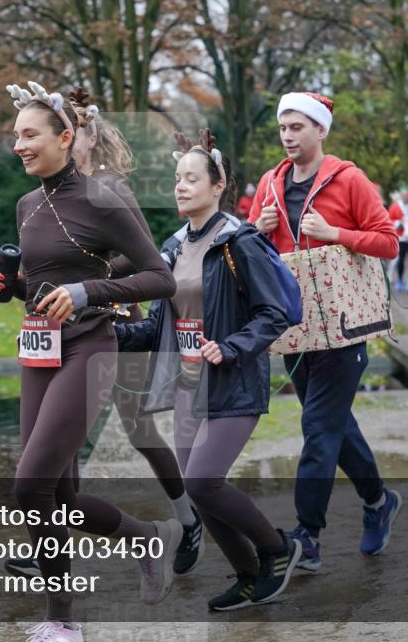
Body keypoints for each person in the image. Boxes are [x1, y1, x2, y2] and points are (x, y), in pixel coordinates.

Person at [0, 81, 178, 642]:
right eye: (16, 136)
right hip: (39, 351)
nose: (19, 146)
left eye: (30, 135)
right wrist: (10, 285)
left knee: (29, 486)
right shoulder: (27, 204)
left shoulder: (102, 199)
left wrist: (88, 292)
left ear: (65, 137)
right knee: (58, 495)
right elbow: (40, 289)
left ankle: (62, 619)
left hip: (90, 348)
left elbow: (160, 278)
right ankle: (145, 540)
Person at [117, 129, 302, 611]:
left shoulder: (240, 242)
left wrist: (232, 347)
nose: (180, 186)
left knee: (203, 481)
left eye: (191, 178)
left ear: (218, 185)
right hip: (186, 384)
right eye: (177, 178)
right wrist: (108, 332)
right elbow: (157, 325)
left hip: (233, 381)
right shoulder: (174, 246)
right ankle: (248, 575)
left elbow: (275, 313)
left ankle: (279, 549)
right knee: (199, 492)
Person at [247, 91, 402, 572]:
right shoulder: (269, 184)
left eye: (297, 127)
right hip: (296, 328)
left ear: (320, 130)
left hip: (344, 327)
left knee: (317, 427)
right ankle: (379, 502)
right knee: (335, 426)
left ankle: (307, 536)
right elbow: (250, 252)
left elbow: (389, 242)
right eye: (283, 128)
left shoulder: (350, 179)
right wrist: (257, 228)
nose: (288, 136)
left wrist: (337, 233)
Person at [387, 186, 408, 291]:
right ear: (401, 196)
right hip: (399, 236)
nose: (406, 197)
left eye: (407, 195)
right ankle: (397, 278)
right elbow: (389, 220)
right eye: (404, 195)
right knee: (399, 259)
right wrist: (398, 223)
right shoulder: (395, 206)